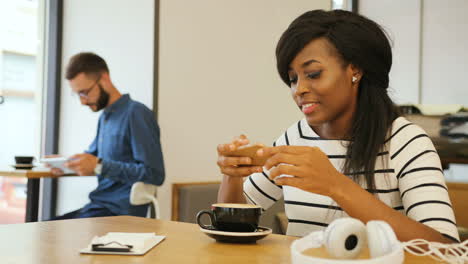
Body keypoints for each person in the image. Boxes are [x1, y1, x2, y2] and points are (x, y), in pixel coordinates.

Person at [217, 10, 460, 243]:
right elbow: (233, 225)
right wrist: (232, 178)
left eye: (312, 74)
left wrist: (335, 185)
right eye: (293, 79)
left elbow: (444, 249)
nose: (298, 89)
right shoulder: (295, 138)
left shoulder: (405, 141)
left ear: (355, 70)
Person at [50, 52, 165, 219]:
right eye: (78, 95)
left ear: (104, 79)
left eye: (85, 92)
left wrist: (99, 165)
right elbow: (91, 159)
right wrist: (65, 164)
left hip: (118, 213)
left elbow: (155, 174)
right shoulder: (105, 117)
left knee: (44, 233)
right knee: (41, 228)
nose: (83, 101)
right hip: (98, 207)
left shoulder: (136, 113)